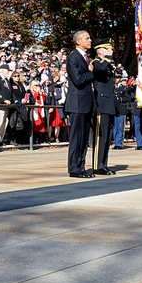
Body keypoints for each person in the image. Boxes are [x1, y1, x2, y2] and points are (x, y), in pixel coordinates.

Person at [64, 30, 95, 178]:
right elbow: (78, 80)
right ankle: (74, 168)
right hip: (77, 103)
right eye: (86, 38)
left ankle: (81, 166)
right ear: (78, 41)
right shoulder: (73, 57)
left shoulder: (86, 57)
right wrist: (90, 72)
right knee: (76, 137)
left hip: (86, 103)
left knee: (84, 138)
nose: (90, 40)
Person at [90, 41, 118, 175]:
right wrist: (107, 59)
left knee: (106, 137)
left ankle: (103, 164)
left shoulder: (107, 63)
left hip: (109, 103)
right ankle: (97, 164)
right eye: (108, 49)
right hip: (101, 103)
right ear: (100, 51)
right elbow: (100, 69)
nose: (111, 51)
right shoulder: (96, 62)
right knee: (100, 136)